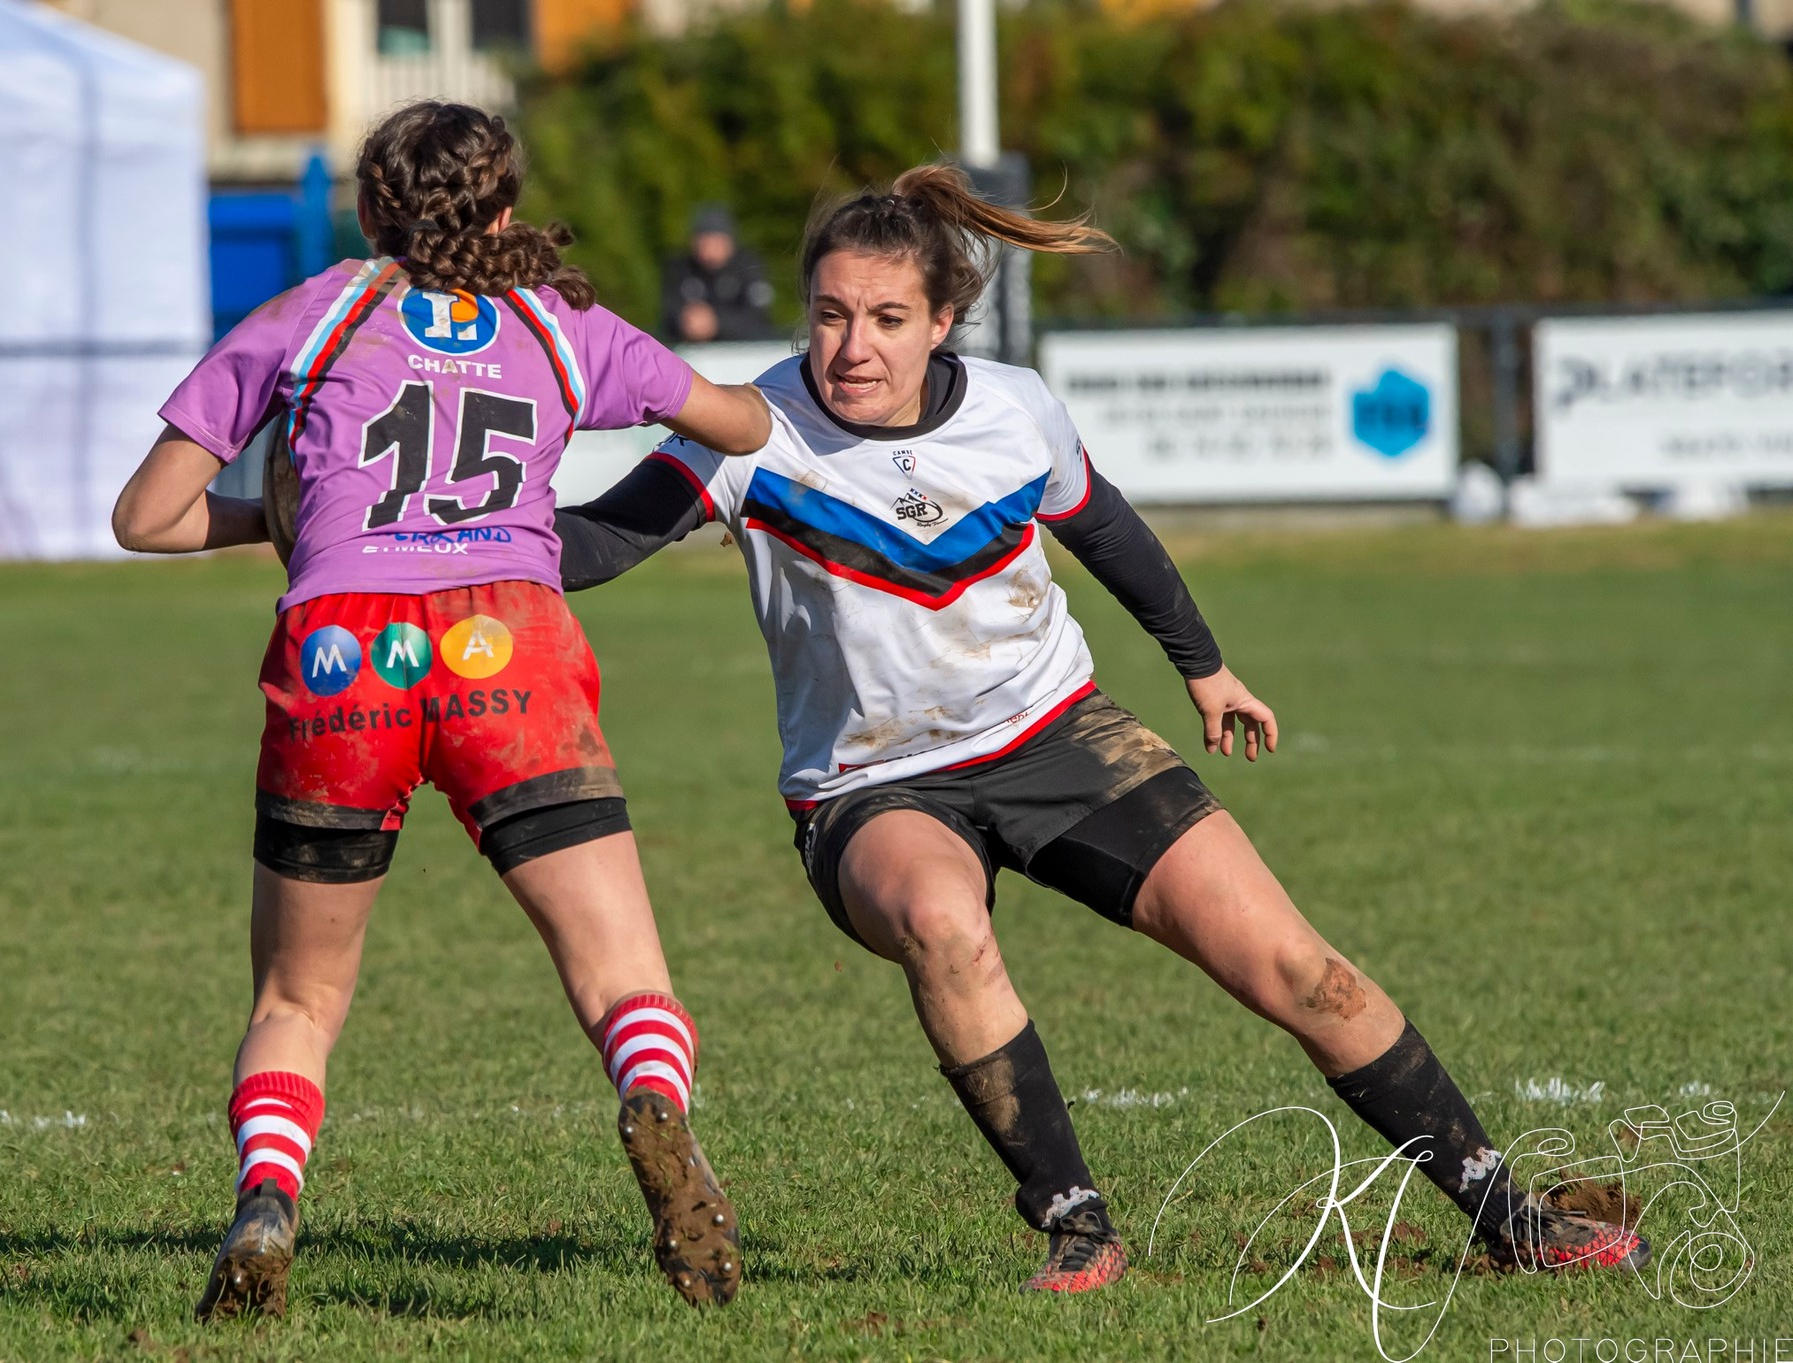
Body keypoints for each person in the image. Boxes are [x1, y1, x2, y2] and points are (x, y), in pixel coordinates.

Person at [552, 165, 1650, 1293]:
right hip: (870, 788)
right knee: (941, 920)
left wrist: (1204, 667)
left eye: (887, 319)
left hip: (1060, 737)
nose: (852, 348)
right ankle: (1077, 1226)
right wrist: (453, 541)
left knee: (1300, 970)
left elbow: (1105, 527)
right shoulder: (751, 427)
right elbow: (599, 540)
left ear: (941, 321)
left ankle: (1508, 1214)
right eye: (830, 315)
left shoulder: (1014, 407)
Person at [111, 101, 765, 1318]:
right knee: (618, 967)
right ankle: (657, 1111)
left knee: (297, 998)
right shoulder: (557, 324)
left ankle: (266, 1198)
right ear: (506, 210)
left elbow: (143, 517)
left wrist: (301, 513)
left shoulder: (310, 314)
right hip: (506, 638)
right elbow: (739, 422)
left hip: (340, 651)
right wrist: (725, 402)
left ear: (370, 210)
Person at [660, 203, 777, 343]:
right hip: (692, 352)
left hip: (742, 353)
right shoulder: (681, 267)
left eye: (716, 241)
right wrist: (685, 320)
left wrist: (717, 323)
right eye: (703, 240)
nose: (709, 248)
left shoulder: (748, 266)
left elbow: (759, 315)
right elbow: (669, 311)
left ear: (729, 241)